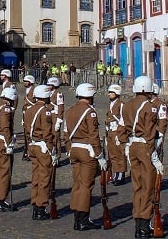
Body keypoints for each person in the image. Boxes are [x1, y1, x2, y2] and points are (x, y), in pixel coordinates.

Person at [119, 75, 161, 238]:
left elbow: (121, 130)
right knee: (148, 186)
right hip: (145, 147)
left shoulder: (127, 105)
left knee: (137, 186)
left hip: (132, 146)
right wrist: (154, 156)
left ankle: (138, 222)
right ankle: (144, 225)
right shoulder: (150, 107)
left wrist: (126, 145)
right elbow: (150, 132)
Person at [64, 82, 105, 230]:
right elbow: (93, 135)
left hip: (74, 149)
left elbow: (66, 134)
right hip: (87, 150)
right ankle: (83, 219)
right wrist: (99, 154)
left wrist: (68, 149)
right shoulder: (90, 112)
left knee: (77, 183)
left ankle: (77, 218)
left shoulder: (69, 111)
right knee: (86, 185)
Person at [24, 84, 55, 220]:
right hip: (42, 146)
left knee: (35, 176)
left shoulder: (29, 110)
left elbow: (26, 130)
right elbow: (47, 132)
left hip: (32, 144)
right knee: (44, 177)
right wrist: (51, 148)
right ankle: (40, 206)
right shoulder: (45, 111)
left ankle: (35, 202)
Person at [106, 84, 126, 186]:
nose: (109, 94)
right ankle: (115, 173)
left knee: (119, 154)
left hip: (117, 131)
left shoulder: (121, 104)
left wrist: (120, 133)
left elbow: (123, 119)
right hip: (110, 131)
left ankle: (121, 174)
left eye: (111, 92)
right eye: (109, 92)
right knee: (112, 154)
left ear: (117, 93)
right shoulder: (110, 103)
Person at [47, 76, 65, 162]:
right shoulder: (49, 93)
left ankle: (57, 156)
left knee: (56, 137)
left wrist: (59, 119)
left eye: (49, 85)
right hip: (49, 115)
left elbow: (61, 107)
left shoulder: (58, 94)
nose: (48, 86)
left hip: (55, 115)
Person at [151, 84, 168, 161]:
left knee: (157, 155)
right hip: (149, 132)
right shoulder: (147, 103)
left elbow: (163, 121)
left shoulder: (160, 104)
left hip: (156, 133)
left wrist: (160, 135)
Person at [21, 74, 36, 162]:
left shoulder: (34, 90)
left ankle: (30, 152)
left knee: (30, 132)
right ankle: (26, 151)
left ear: (30, 82)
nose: (24, 83)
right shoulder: (27, 90)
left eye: (26, 81)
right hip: (26, 113)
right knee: (26, 133)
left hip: (31, 113)